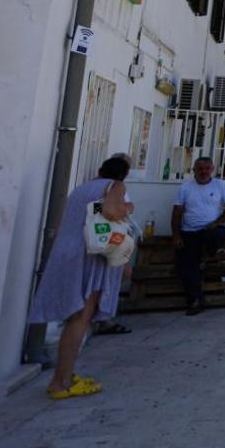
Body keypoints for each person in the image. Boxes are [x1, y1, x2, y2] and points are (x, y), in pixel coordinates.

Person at [28, 155, 134, 399]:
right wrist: (127, 207)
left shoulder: (83, 189)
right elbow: (111, 211)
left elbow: (94, 212)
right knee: (80, 318)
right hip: (88, 256)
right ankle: (61, 383)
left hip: (67, 253)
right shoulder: (115, 186)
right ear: (123, 173)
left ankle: (63, 375)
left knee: (74, 317)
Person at [172, 156, 225, 316]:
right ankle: (195, 299)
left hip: (211, 229)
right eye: (200, 169)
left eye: (206, 168)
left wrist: (219, 221)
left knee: (217, 234)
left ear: (212, 169)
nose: (203, 172)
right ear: (194, 170)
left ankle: (206, 254)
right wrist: (176, 235)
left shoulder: (220, 185)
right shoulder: (186, 187)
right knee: (187, 266)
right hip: (190, 231)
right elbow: (177, 212)